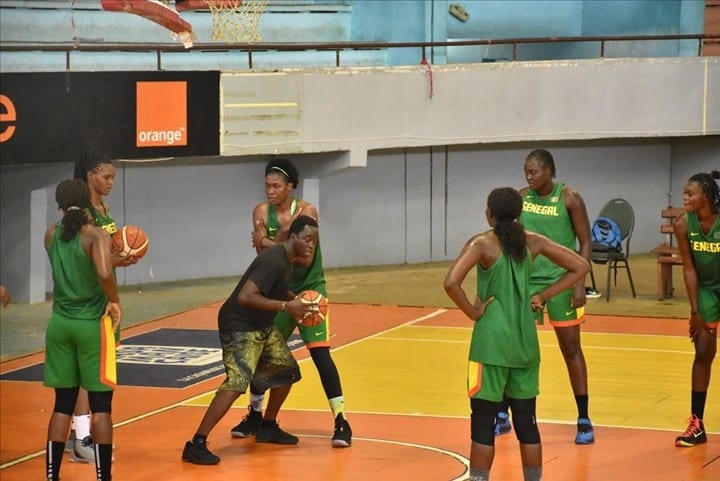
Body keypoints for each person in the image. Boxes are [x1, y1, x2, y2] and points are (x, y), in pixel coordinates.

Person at [444, 187, 589, 481]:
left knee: (483, 423)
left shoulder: (481, 244)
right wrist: (544, 295)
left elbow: (451, 283)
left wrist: (473, 312)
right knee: (527, 424)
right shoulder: (534, 242)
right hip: (525, 345)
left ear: (489, 215)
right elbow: (581, 266)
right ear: (520, 213)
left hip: (490, 346)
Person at [230, 158, 352, 447]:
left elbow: (304, 258)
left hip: (309, 292)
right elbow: (263, 258)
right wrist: (278, 240)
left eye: (276, 186)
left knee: (320, 354)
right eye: (267, 186)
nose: (270, 191)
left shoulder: (307, 211)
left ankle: (341, 420)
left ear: (290, 187)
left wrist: (268, 240)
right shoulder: (261, 211)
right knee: (266, 357)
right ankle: (257, 416)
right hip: (279, 292)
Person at [181, 215, 319, 465]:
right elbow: (246, 296)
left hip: (261, 324)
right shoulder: (274, 260)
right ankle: (196, 443)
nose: (311, 244)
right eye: (307, 239)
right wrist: (288, 306)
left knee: (287, 371)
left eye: (315, 241)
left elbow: (275, 290)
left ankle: (267, 426)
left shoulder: (287, 260)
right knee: (237, 382)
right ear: (293, 237)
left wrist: (299, 302)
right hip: (239, 324)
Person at [495, 149, 595, 444]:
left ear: (549, 171)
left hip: (563, 280)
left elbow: (585, 241)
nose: (528, 176)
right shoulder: (522, 198)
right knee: (514, 346)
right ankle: (503, 413)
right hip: (528, 282)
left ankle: (584, 418)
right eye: (526, 171)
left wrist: (580, 282)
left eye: (534, 171)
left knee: (571, 348)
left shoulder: (570, 198)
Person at [43, 178, 121, 481]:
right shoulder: (95, 235)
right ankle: (104, 477)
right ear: (87, 202)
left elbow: (74, 261)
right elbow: (102, 271)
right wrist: (114, 299)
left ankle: (52, 476)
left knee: (62, 405)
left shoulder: (51, 233)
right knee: (101, 408)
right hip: (91, 325)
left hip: (59, 324)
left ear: (59, 205)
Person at [66, 152, 137, 463]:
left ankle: (76, 433)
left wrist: (122, 253)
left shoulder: (104, 209)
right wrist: (119, 260)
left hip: (104, 298)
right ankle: (82, 439)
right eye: (106, 177)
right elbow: (90, 260)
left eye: (113, 178)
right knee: (89, 372)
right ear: (89, 176)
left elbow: (105, 256)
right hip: (89, 301)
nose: (111, 183)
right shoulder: (83, 214)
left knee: (92, 371)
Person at [673, 170, 720, 447]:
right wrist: (694, 311)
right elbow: (689, 268)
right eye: (684, 193)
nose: (685, 197)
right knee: (703, 352)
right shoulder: (682, 224)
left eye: (690, 193)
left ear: (707, 196)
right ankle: (697, 425)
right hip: (706, 289)